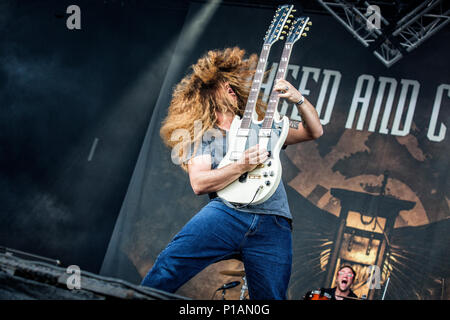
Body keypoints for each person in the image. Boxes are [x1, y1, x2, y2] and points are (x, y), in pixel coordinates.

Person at [140, 47, 323, 299]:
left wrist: (299, 99)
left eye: (231, 85)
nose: (229, 87)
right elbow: (199, 183)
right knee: (168, 267)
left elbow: (313, 131)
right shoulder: (202, 136)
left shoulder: (265, 126)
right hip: (226, 213)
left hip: (273, 221)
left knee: (271, 298)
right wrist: (241, 165)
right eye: (222, 84)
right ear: (206, 93)